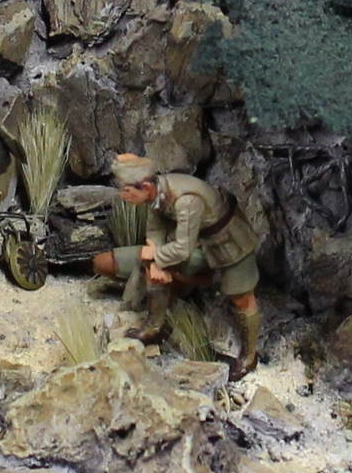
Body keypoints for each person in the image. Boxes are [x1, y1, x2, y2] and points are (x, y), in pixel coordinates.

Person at [91, 153, 264, 379]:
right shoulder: (157, 195)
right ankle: (155, 326)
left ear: (145, 186)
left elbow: (183, 248)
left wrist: (157, 258)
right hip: (196, 244)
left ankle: (249, 356)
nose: (123, 196)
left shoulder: (185, 201)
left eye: (126, 190)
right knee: (152, 269)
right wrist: (155, 262)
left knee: (241, 297)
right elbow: (155, 228)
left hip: (228, 243)